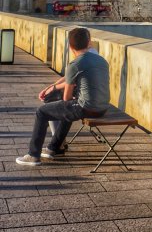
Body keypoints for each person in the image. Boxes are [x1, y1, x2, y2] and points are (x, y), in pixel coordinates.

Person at [16, 26, 110, 166]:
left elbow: (66, 98)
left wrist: (55, 92)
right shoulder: (101, 60)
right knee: (68, 109)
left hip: (87, 108)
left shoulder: (75, 64)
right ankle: (54, 148)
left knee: (42, 111)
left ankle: (33, 155)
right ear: (89, 42)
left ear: (70, 46)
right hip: (103, 108)